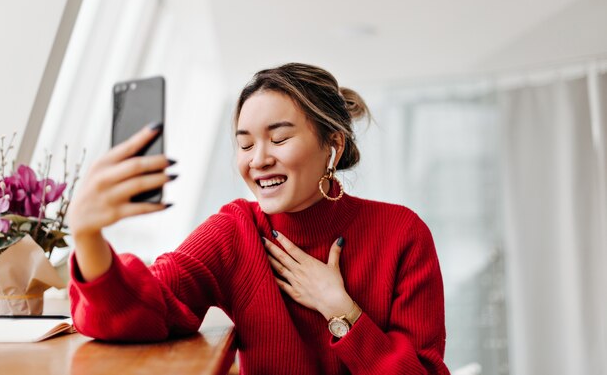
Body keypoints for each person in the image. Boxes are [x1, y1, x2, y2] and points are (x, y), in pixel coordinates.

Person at [68, 63, 450, 375]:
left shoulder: (402, 233)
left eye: (279, 139)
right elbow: (143, 311)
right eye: (245, 144)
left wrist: (341, 310)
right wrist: (86, 236)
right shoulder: (237, 230)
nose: (258, 159)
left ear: (333, 145)